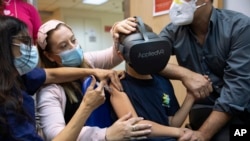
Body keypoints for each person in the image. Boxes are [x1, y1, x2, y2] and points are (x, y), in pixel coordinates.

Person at [112, 0, 250, 141]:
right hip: (202, 111)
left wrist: (203, 134)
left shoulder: (239, 27)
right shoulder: (173, 31)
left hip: (240, 114)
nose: (179, 2)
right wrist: (185, 74)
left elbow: (237, 91)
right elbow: (151, 57)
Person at [0, 15, 151, 141]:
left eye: (73, 40)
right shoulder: (48, 92)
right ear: (49, 56)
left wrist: (117, 32)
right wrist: (105, 133)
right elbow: (57, 136)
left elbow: (114, 55)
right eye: (63, 46)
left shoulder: (87, 62)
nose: (73, 48)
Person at [108, 18, 196, 141]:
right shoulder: (118, 85)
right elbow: (136, 126)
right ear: (121, 55)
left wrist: (191, 96)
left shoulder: (163, 82)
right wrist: (179, 132)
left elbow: (171, 122)